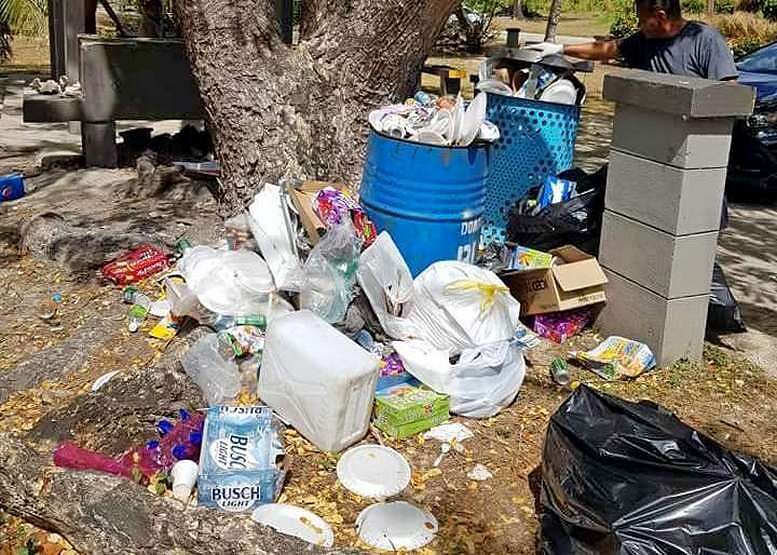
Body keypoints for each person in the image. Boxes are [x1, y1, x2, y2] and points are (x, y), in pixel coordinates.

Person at [528, 0, 738, 81]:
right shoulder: (643, 40)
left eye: (642, 19)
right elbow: (605, 49)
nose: (638, 24)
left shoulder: (706, 40)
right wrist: (559, 49)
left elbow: (728, 91)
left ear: (661, 16)